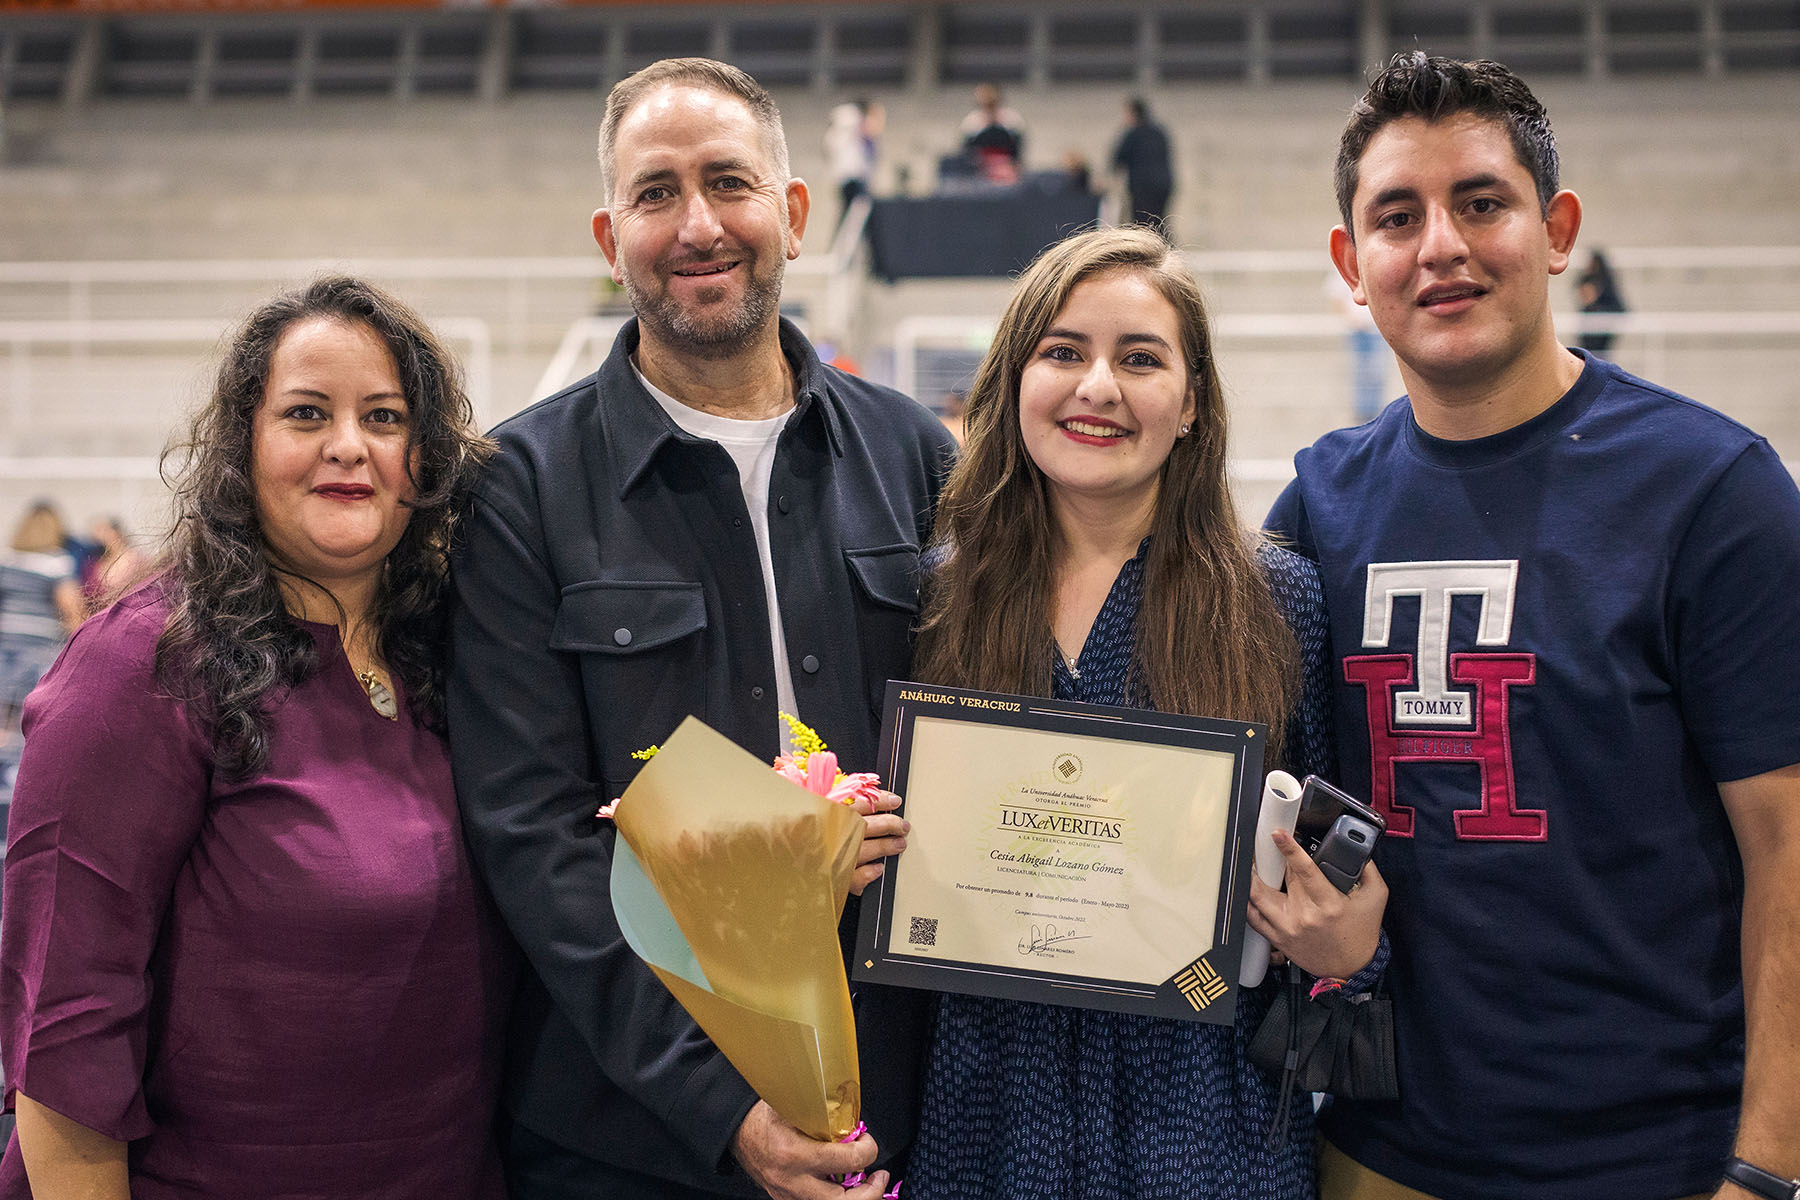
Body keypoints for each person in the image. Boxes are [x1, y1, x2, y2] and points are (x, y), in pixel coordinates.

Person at [1267, 53, 1800, 1200]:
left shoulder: (1715, 493)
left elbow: (1790, 849)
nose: (1442, 247)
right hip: (1379, 1152)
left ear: (1556, 230)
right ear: (1352, 267)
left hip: (1658, 1159)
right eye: (1397, 217)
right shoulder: (1317, 506)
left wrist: (1768, 1167)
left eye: (1482, 202)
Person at [448, 57, 957, 1200]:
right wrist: (719, 1108)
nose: (696, 226)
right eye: (655, 193)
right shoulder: (519, 488)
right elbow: (535, 842)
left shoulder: (917, 457)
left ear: (793, 212)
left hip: (890, 1120)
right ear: (607, 233)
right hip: (628, 1139)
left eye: (728, 182)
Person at [0, 277, 512, 1200]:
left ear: (424, 456)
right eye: (306, 413)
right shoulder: (141, 667)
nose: (348, 446)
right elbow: (65, 1035)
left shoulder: (454, 653)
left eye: (385, 417)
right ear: (244, 443)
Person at [905, 225, 1389, 1197]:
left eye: (1139, 358)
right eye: (1064, 352)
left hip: (1209, 1136)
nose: (1098, 387)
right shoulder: (934, 604)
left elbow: (1340, 889)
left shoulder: (1280, 601)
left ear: (1192, 399)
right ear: (1012, 380)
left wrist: (1351, 948)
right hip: (989, 1129)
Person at [0, 501, 81, 794]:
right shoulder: (56, 562)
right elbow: (70, 607)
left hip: (5, 646)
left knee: (3, 721)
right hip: (39, 650)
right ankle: (18, 785)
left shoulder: (8, 560)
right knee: (30, 720)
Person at [1110, 97, 1174, 230]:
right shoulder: (1159, 132)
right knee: (1159, 222)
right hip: (1163, 186)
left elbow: (1117, 160)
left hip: (1142, 187)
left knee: (1143, 225)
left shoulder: (1132, 134)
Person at [824, 97, 882, 231]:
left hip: (851, 176)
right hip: (851, 178)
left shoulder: (847, 128)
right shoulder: (850, 121)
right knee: (850, 215)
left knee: (850, 216)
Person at [79, 515, 150, 612]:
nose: (97, 536)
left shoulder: (135, 559)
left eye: (103, 530)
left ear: (116, 532)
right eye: (95, 532)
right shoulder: (93, 563)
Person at [959, 82, 1024, 183]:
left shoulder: (1012, 119)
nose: (987, 98)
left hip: (1006, 168)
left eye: (990, 94)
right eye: (984, 95)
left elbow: (1017, 152)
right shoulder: (971, 121)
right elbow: (966, 153)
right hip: (979, 169)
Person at [1575, 247, 1627, 356]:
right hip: (1589, 328)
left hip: (1602, 329)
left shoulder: (1607, 287)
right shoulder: (1587, 279)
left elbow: (1621, 310)